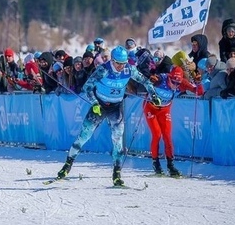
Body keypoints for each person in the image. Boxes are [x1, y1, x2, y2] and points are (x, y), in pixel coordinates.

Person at [55, 46, 160, 186]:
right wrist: (94, 103)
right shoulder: (103, 70)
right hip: (99, 105)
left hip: (116, 108)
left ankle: (116, 174)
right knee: (84, 136)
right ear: (112, 60)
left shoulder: (129, 69)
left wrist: (153, 95)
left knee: (118, 141)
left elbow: (146, 82)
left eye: (123, 63)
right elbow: (87, 87)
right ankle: (67, 166)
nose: (121, 67)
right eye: (118, 63)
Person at [145, 66, 204, 176]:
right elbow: (148, 81)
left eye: (178, 83)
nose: (175, 85)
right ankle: (156, 164)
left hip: (165, 109)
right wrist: (150, 80)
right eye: (173, 82)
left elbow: (199, 92)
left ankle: (171, 166)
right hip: (150, 108)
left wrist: (198, 82)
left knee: (167, 136)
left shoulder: (182, 83)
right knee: (157, 135)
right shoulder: (162, 78)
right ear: (169, 77)